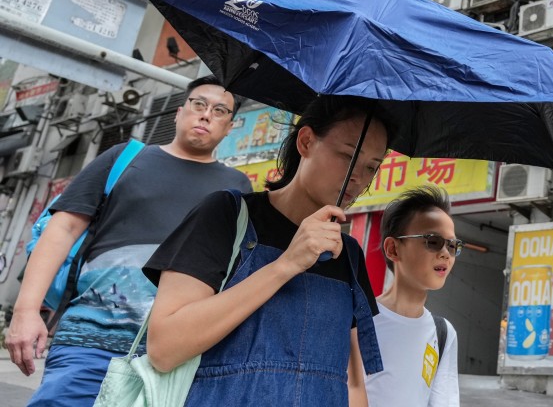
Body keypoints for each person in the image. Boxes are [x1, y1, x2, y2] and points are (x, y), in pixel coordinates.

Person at [4, 75, 252, 407]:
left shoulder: (237, 188)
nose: (206, 115)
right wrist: (25, 311)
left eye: (220, 110)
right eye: (199, 104)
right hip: (90, 343)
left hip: (176, 358)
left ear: (230, 127)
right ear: (178, 112)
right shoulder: (126, 158)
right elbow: (61, 230)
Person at [142, 95, 387, 406]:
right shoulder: (228, 214)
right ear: (307, 142)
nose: (358, 177)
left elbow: (352, 383)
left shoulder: (348, 255)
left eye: (372, 167)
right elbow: (164, 347)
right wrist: (286, 265)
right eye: (348, 156)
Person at [366, 185, 461, 407]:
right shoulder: (357, 320)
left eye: (453, 245)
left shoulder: (443, 333)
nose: (445, 253)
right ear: (393, 249)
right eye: (433, 241)